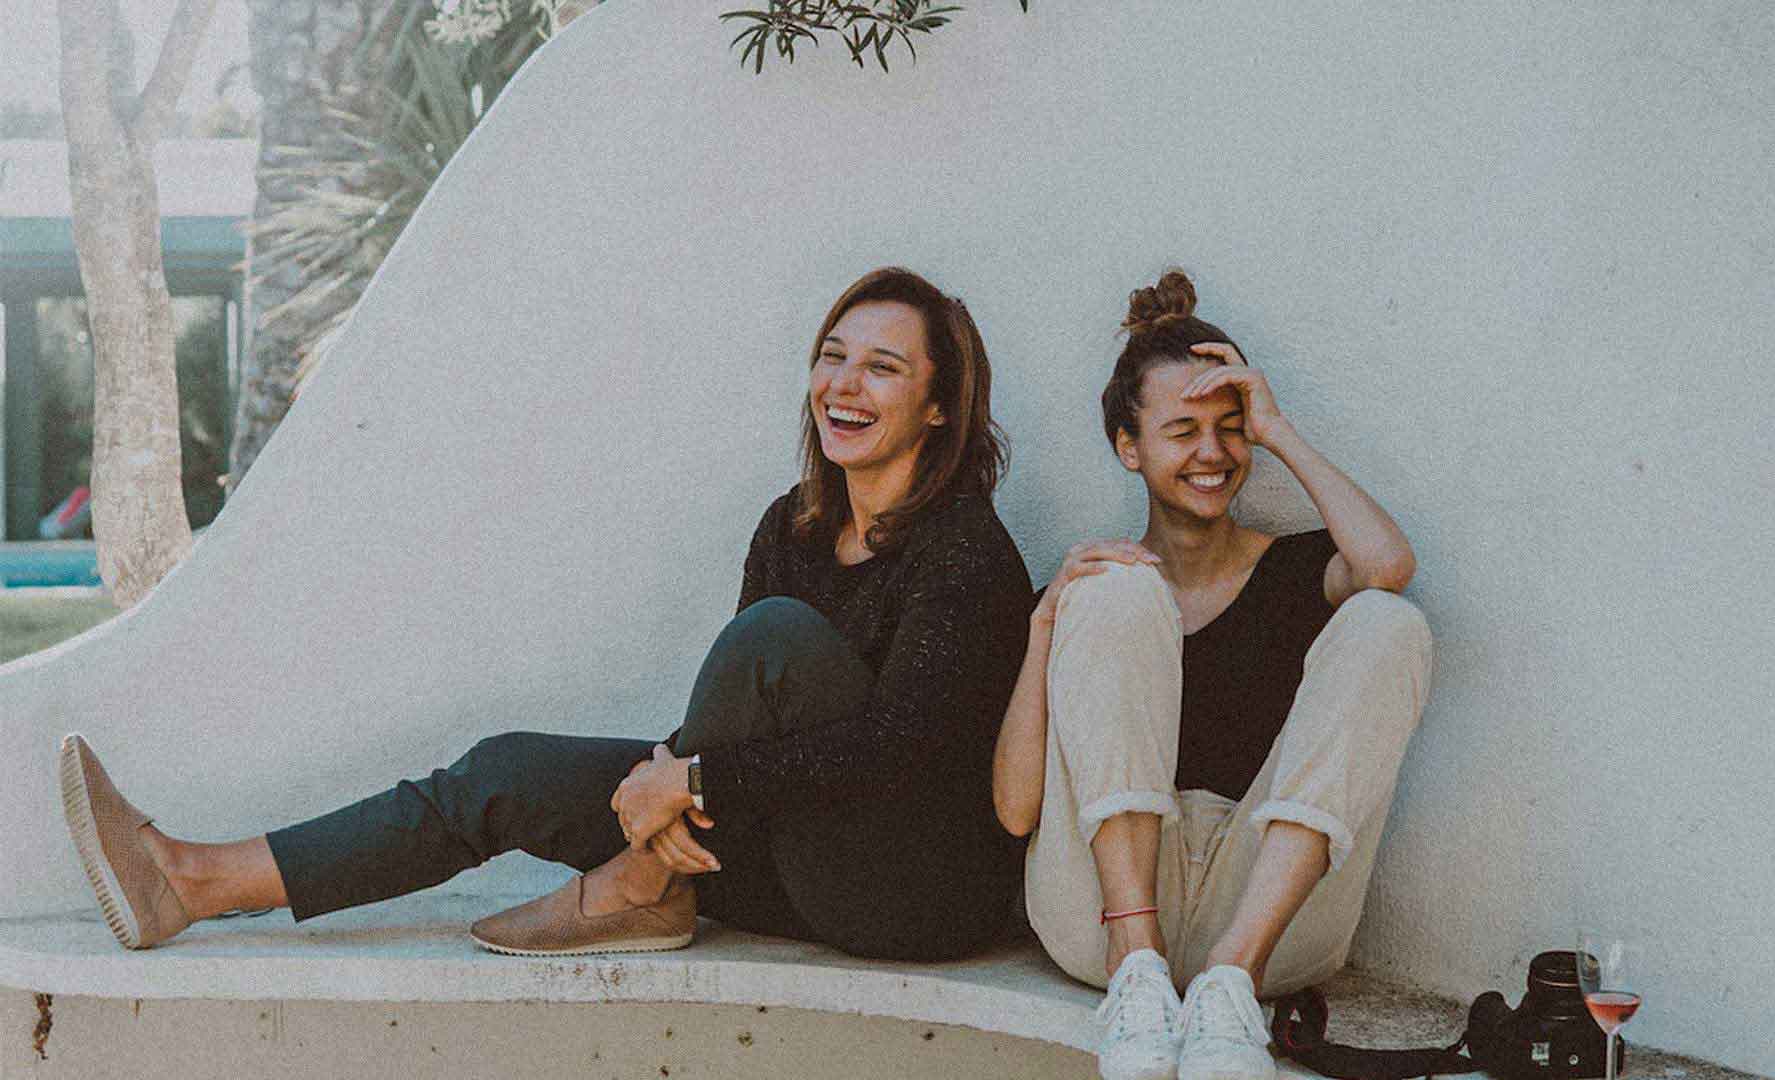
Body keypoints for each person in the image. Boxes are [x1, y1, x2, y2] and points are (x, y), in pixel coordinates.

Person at [61, 266, 1033, 963]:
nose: (844, 385)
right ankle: (192, 881)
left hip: (911, 895)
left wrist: (688, 775)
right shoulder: (796, 523)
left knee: (769, 638)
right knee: (503, 772)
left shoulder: (962, 551)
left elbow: (903, 749)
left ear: (940, 407)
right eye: (833, 356)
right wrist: (675, 781)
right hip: (790, 852)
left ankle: (645, 888)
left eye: (883, 368)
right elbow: (740, 723)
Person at [993, 270, 1434, 1080]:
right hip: (1101, 916)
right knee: (1117, 587)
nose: (1211, 452)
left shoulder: (1295, 569)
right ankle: (1139, 970)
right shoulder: (1093, 593)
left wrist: (1279, 430)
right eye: (1182, 429)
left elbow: (1388, 564)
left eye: (1229, 428)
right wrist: (1044, 624)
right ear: (1129, 447)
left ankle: (1229, 981)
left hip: (1263, 919)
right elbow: (1017, 811)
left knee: (1387, 619)